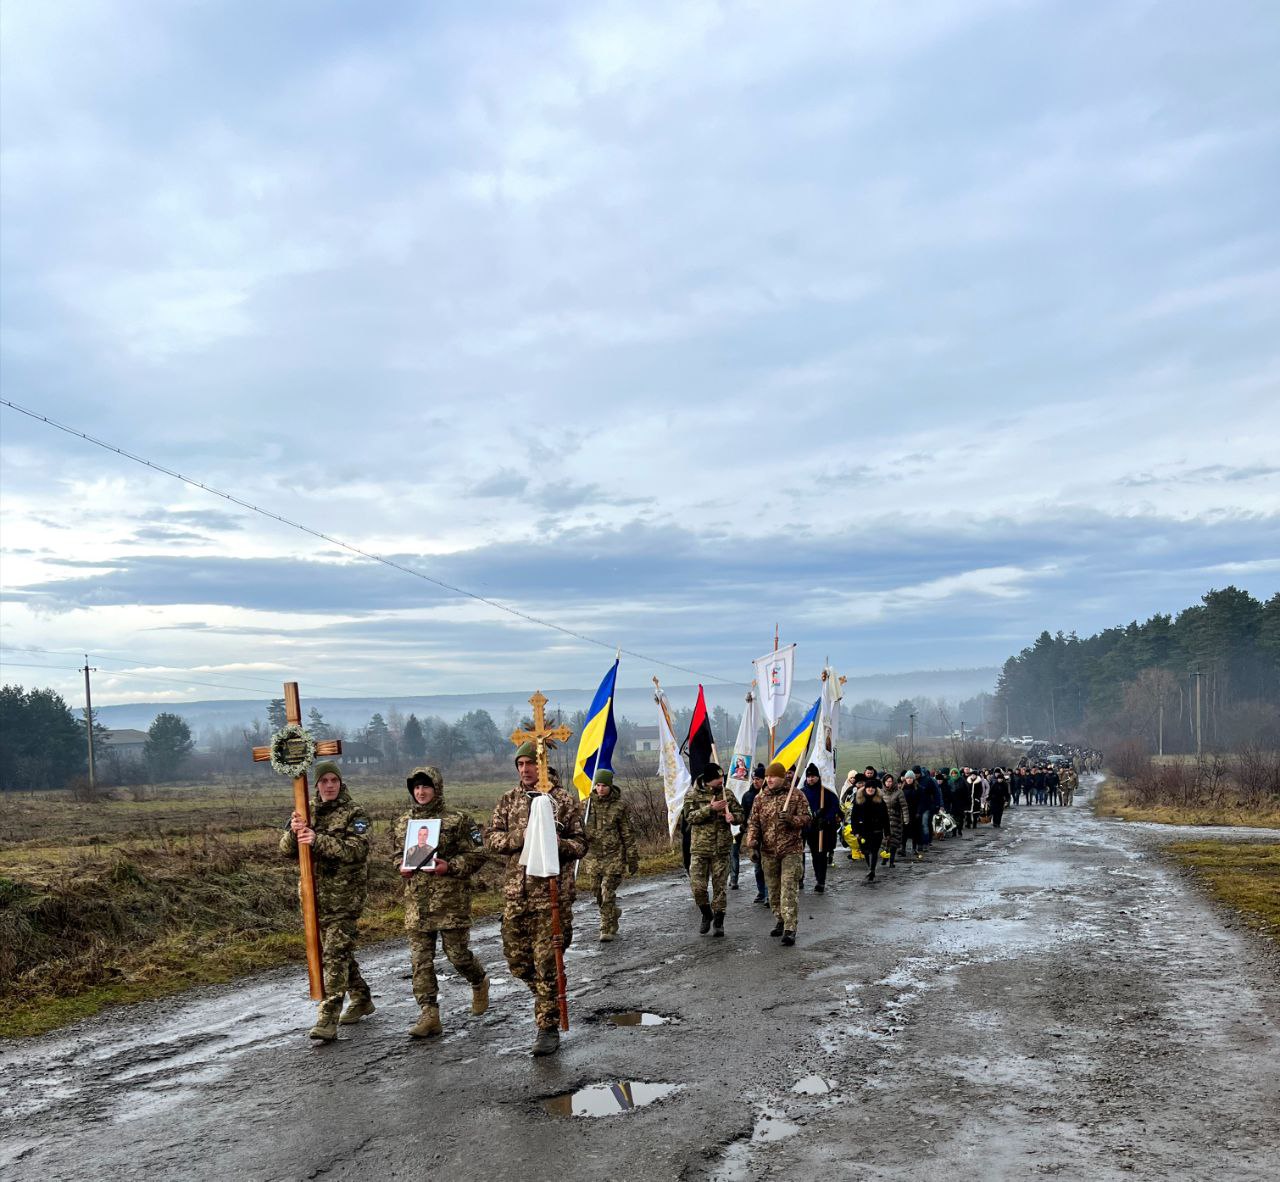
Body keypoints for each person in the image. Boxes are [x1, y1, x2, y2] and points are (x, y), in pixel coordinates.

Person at [486, 741, 587, 1057]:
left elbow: (581, 844)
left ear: (542, 765)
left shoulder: (562, 801)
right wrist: (522, 837)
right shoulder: (508, 801)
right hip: (517, 895)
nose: (526, 769)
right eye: (520, 764)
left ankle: (547, 1027)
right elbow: (493, 839)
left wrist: (558, 844)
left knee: (546, 963)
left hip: (552, 897)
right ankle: (553, 993)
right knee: (516, 962)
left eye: (531, 763)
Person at [279, 760, 372, 1042]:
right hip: (314, 899)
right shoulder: (305, 810)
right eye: (324, 781)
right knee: (336, 953)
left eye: (333, 780)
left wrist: (317, 840)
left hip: (345, 898)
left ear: (340, 783)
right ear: (316, 785)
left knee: (333, 954)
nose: (329, 785)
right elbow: (285, 851)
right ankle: (362, 997)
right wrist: (294, 832)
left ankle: (327, 1016)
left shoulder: (355, 813)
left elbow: (357, 849)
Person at [396, 766, 489, 1038]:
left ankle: (478, 980)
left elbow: (478, 853)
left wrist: (451, 866)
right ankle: (429, 1014)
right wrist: (399, 867)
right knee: (420, 961)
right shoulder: (404, 823)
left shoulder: (458, 820)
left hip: (450, 903)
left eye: (426, 786)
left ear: (437, 788)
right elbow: (395, 854)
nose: (421, 792)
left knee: (457, 956)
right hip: (417, 904)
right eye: (416, 787)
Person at [743, 762, 812, 946]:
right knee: (773, 890)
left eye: (772, 776)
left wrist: (792, 819)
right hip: (768, 852)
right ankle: (780, 919)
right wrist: (752, 843)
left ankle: (790, 928)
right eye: (767, 777)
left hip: (791, 850)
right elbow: (754, 823)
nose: (769, 779)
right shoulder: (760, 798)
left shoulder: (796, 796)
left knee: (788, 887)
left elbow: (807, 819)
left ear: (782, 777)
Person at [682, 763, 745, 936]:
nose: (721, 781)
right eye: (718, 778)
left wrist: (733, 818)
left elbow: (741, 815)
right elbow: (689, 817)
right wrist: (710, 809)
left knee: (720, 888)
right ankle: (706, 913)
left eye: (722, 778)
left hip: (721, 849)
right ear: (709, 780)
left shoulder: (727, 794)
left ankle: (719, 921)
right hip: (700, 849)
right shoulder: (693, 794)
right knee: (698, 887)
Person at [578, 769, 638, 943]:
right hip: (594, 857)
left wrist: (632, 858)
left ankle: (606, 927)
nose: (600, 789)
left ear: (610, 786)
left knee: (606, 890)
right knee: (596, 891)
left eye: (604, 785)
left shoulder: (620, 806)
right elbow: (578, 828)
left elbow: (627, 833)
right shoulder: (587, 805)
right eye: (597, 785)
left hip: (614, 856)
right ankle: (613, 912)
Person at [800, 763, 841, 892]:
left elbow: (835, 806)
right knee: (810, 853)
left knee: (820, 854)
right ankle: (800, 879)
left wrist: (826, 817)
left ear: (818, 777)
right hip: (808, 827)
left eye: (813, 776)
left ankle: (820, 881)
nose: (811, 779)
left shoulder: (826, 790)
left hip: (822, 828)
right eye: (809, 776)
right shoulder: (802, 792)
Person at [850, 779, 890, 882]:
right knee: (866, 851)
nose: (870, 789)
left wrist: (887, 832)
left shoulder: (880, 802)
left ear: (876, 789)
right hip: (863, 831)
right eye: (868, 787)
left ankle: (872, 870)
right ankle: (869, 867)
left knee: (874, 851)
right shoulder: (859, 800)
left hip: (877, 830)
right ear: (865, 788)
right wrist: (855, 831)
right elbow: (854, 817)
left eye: (873, 788)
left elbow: (885, 818)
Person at [742, 764, 769, 904]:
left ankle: (769, 894)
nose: (755, 781)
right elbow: (744, 814)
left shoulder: (769, 795)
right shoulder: (748, 796)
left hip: (769, 836)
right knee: (758, 867)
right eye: (754, 779)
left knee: (769, 867)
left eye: (758, 779)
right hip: (755, 836)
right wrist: (742, 825)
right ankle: (761, 892)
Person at [880, 772, 910, 869]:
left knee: (893, 841)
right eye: (887, 781)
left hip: (895, 819)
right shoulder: (881, 792)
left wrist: (906, 819)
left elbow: (904, 807)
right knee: (885, 841)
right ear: (884, 782)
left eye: (890, 781)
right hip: (884, 819)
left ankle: (892, 861)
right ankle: (885, 857)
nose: (889, 783)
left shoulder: (899, 792)